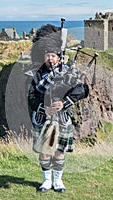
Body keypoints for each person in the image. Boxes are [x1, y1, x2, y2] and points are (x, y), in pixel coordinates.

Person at [28, 24, 89, 193]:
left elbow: (83, 90)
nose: (51, 59)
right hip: (43, 117)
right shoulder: (35, 74)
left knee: (59, 151)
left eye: (54, 55)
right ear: (43, 56)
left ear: (59, 56)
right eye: (48, 55)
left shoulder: (67, 72)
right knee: (44, 152)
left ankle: (58, 181)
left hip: (62, 117)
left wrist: (65, 102)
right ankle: (46, 181)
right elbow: (31, 98)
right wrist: (44, 109)